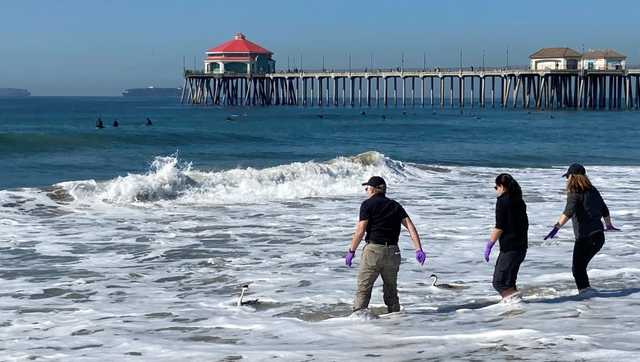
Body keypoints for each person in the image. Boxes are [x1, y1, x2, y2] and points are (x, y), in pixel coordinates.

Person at [345, 176, 426, 313]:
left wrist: (351, 251)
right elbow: (411, 227)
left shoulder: (367, 204)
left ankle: (358, 322)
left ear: (374, 189)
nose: (366, 190)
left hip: (373, 252)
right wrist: (418, 249)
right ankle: (395, 320)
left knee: (364, 289)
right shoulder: (395, 205)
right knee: (391, 289)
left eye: (367, 188)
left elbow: (360, 230)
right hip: (393, 253)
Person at [544, 163, 620, 294]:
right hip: (599, 237)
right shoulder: (593, 190)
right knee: (581, 267)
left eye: (567, 176)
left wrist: (556, 227)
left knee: (577, 268)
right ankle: (587, 294)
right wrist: (608, 225)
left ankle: (586, 296)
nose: (566, 180)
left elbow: (568, 211)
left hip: (585, 238)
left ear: (572, 176)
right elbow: (604, 209)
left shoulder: (574, 192)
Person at [484, 174, 528, 301]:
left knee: (499, 282)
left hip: (509, 248)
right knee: (509, 283)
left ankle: (514, 304)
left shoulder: (503, 201)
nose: (496, 190)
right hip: (522, 247)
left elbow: (499, 226)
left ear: (502, 187)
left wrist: (489, 245)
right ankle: (517, 312)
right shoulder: (519, 201)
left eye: (496, 187)